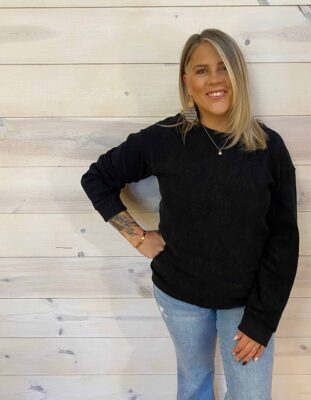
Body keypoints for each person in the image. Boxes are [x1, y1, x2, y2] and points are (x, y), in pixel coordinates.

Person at [81, 28, 299, 400]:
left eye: (223, 67)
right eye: (202, 70)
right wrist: (138, 238)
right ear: (187, 81)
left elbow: (284, 239)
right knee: (194, 382)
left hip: (248, 300)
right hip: (179, 295)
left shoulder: (268, 147)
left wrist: (262, 319)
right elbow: (97, 178)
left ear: (238, 75)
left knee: (250, 394)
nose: (215, 79)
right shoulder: (164, 139)